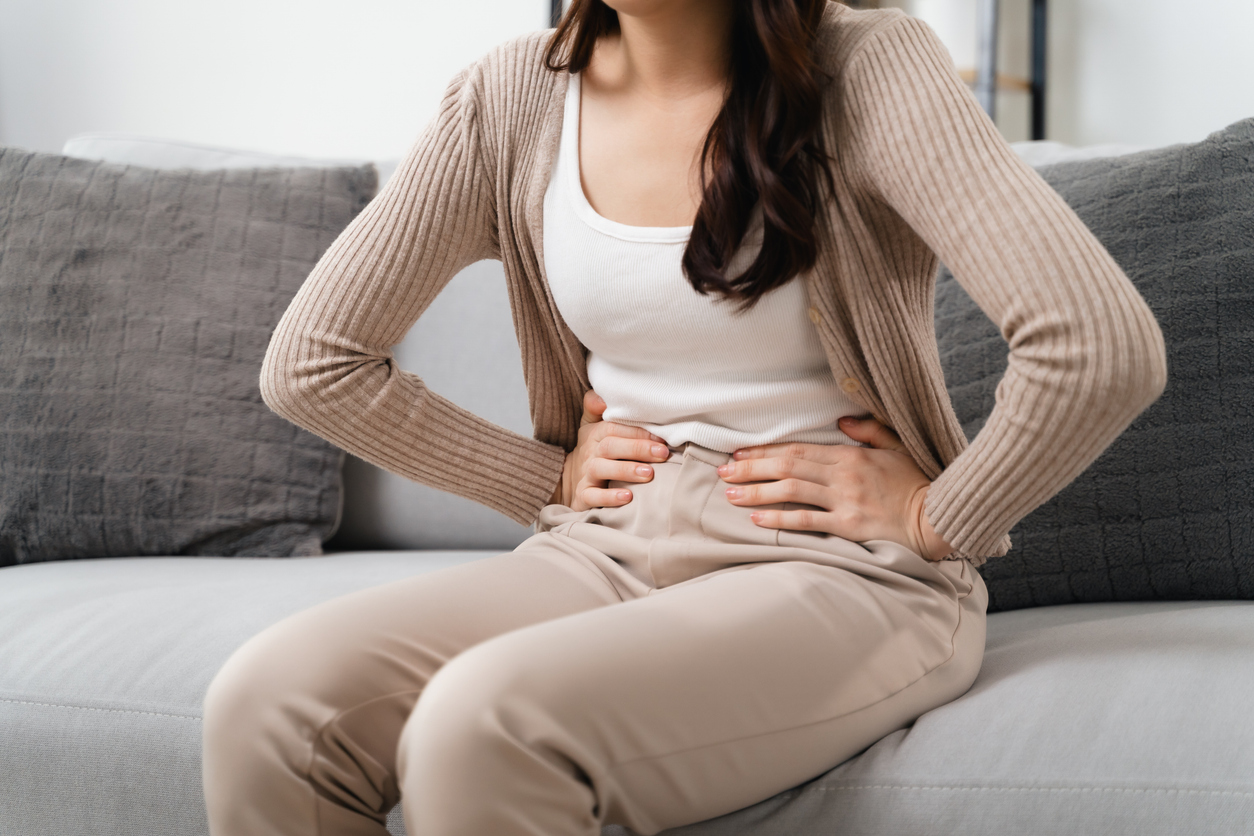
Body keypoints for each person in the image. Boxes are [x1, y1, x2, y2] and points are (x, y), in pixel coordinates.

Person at [201, 0, 1167, 834]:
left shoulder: (870, 68)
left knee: (482, 728)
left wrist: (939, 517)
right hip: (605, 549)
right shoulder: (509, 98)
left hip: (839, 572)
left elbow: (1098, 343)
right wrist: (542, 479)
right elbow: (312, 362)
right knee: (268, 707)